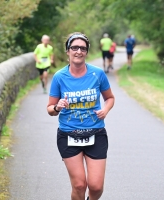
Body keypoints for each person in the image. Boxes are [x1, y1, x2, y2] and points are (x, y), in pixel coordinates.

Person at [47, 32, 115, 200]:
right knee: (79, 185)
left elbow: (110, 98)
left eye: (82, 48)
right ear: (68, 51)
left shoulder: (97, 74)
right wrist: (58, 106)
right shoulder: (59, 77)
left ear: (87, 52)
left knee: (96, 187)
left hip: (96, 133)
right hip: (68, 134)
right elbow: (50, 109)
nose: (78, 51)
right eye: (74, 47)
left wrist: (105, 110)